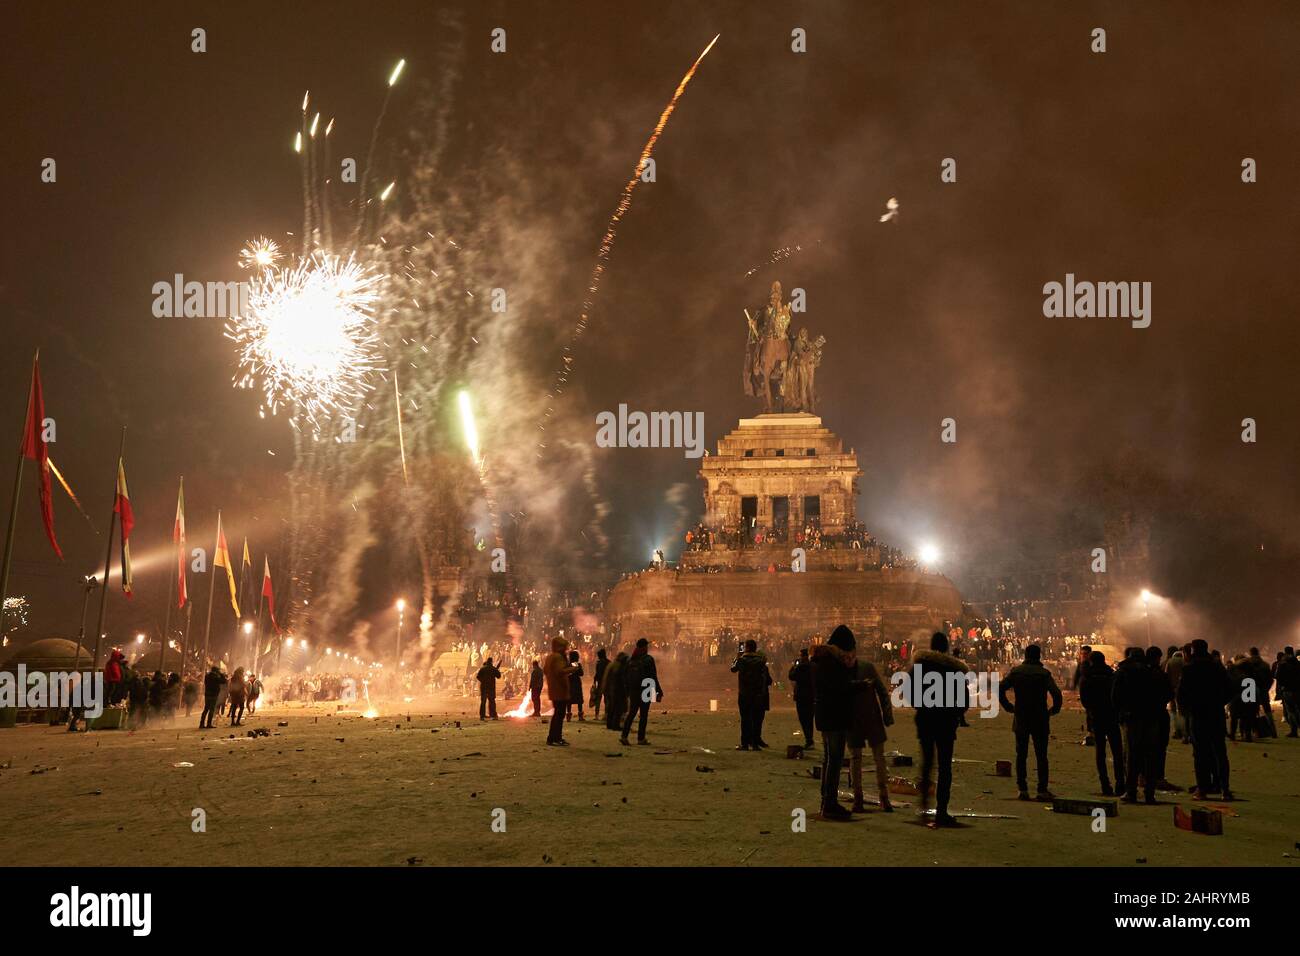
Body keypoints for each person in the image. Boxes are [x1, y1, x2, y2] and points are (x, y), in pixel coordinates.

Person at [913, 631, 969, 827]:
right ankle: (941, 811)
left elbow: (909, 693)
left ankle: (923, 807)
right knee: (945, 767)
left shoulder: (920, 666)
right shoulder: (955, 670)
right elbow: (963, 700)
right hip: (946, 722)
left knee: (927, 763)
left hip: (926, 720)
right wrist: (956, 713)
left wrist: (922, 706)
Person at [998, 644, 1063, 801]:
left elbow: (1001, 688)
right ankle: (1042, 790)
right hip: (1040, 717)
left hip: (1021, 716)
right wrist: (1053, 710)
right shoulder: (1044, 674)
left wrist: (1008, 706)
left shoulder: (1017, 672)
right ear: (1039, 656)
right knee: (1042, 755)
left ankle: (1023, 789)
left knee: (1021, 754)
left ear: (1026, 655)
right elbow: (1056, 694)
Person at [812, 625, 861, 820]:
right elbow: (839, 688)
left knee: (829, 759)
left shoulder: (823, 660)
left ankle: (826, 801)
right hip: (834, 716)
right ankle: (830, 804)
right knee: (835, 760)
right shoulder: (832, 663)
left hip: (826, 715)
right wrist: (858, 686)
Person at [1178, 639, 1234, 800]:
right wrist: (1218, 702)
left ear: (1193, 650)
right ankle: (1225, 789)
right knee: (1220, 752)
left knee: (1200, 753)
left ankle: (1202, 789)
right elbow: (1229, 689)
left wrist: (1188, 709)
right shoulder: (1217, 667)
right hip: (1215, 714)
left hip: (1198, 715)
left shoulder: (1189, 669)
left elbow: (1181, 695)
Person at [1112, 647, 1158, 804]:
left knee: (1132, 755)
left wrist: (1121, 712)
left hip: (1131, 718)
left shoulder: (1123, 672)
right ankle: (1149, 793)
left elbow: (1115, 696)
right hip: (1151, 718)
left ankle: (1131, 792)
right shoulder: (1151, 671)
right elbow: (1165, 692)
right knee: (1150, 756)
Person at [849, 653, 894, 812]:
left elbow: (881, 691)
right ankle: (862, 797)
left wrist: (887, 715)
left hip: (866, 716)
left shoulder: (864, 668)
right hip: (858, 718)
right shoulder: (860, 667)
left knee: (873, 757)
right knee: (862, 758)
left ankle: (878, 797)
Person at [1079, 651, 1125, 795]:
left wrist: (1092, 710)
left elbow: (1085, 699)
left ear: (1091, 661)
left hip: (1097, 717)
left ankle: (1105, 784)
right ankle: (1120, 784)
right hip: (1112, 717)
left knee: (1100, 753)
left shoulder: (1087, 677)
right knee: (1117, 752)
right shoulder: (1112, 675)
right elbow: (1118, 696)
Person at [731, 639, 772, 750]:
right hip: (757, 693)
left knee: (745, 719)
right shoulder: (761, 661)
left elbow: (733, 669)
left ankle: (745, 744)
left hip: (744, 693)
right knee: (755, 719)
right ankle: (754, 744)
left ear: (747, 648)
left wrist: (737, 657)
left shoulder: (742, 660)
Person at [621, 638, 662, 746]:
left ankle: (624, 736)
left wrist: (628, 691)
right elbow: (653, 676)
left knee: (632, 713)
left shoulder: (630, 659)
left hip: (634, 690)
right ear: (644, 647)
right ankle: (641, 738)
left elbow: (625, 677)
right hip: (647, 688)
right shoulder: (648, 659)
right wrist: (658, 691)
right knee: (643, 715)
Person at [1145, 646, 1176, 790]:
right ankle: (1157, 778)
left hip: (1144, 715)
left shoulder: (1141, 674)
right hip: (1159, 713)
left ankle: (1143, 778)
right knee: (1159, 748)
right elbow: (1169, 693)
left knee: (1144, 748)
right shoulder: (1160, 675)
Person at [543, 637, 577, 745]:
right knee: (559, 715)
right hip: (560, 690)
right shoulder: (558, 657)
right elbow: (560, 671)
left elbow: (546, 670)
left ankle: (552, 738)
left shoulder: (550, 657)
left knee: (557, 714)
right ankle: (556, 738)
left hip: (554, 689)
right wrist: (573, 668)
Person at [789, 648, 816, 751]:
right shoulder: (813, 666)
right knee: (809, 718)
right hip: (811, 695)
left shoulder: (800, 667)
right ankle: (810, 739)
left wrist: (793, 667)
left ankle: (809, 740)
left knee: (803, 719)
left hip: (801, 696)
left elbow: (791, 676)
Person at [1276, 647, 1300, 737]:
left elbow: (1277, 676)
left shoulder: (1283, 663)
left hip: (1287, 689)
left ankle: (1294, 731)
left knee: (1290, 711)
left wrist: (1282, 685)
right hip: (1298, 689)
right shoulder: (1297, 663)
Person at [603, 651, 628, 730]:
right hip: (617, 690)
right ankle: (615, 725)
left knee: (611, 708)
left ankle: (609, 724)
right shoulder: (619, 666)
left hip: (610, 690)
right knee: (618, 708)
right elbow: (621, 680)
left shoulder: (612, 665)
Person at [200, 664, 227, 729]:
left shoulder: (207, 676)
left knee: (206, 709)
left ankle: (201, 724)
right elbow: (224, 681)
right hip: (213, 695)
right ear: (216, 671)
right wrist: (221, 674)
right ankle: (209, 724)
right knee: (211, 709)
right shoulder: (216, 677)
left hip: (207, 694)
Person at [565, 651, 585, 721]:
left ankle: (568, 716)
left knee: (569, 700)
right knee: (579, 700)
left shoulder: (568, 665)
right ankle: (580, 716)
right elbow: (581, 673)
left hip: (570, 683)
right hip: (576, 683)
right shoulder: (577, 664)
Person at [590, 648, 609, 718]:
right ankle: (606, 714)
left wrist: (594, 681)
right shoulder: (608, 662)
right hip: (607, 683)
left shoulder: (599, 663)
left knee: (598, 700)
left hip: (600, 683)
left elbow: (597, 674)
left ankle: (596, 715)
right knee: (606, 699)